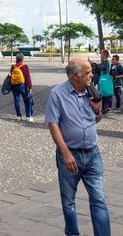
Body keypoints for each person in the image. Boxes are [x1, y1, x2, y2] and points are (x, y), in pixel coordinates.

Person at [45, 58, 110, 236]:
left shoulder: (91, 91)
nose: (92, 75)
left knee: (99, 200)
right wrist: (65, 153)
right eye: (88, 72)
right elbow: (53, 124)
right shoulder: (57, 94)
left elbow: (95, 119)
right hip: (70, 156)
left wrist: (98, 110)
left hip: (93, 154)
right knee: (68, 202)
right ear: (76, 75)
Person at [10, 53, 34, 122]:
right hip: (22, 86)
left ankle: (19, 116)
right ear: (22, 59)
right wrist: (29, 87)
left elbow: (10, 76)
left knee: (16, 101)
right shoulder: (25, 67)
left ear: (16, 59)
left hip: (14, 86)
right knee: (27, 101)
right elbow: (28, 78)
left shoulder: (13, 67)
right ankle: (28, 117)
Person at [95, 49, 111, 114]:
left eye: (101, 54)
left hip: (104, 80)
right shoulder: (104, 63)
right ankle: (104, 108)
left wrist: (91, 64)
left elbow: (98, 68)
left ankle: (104, 109)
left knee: (104, 95)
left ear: (104, 55)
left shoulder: (105, 63)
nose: (100, 56)